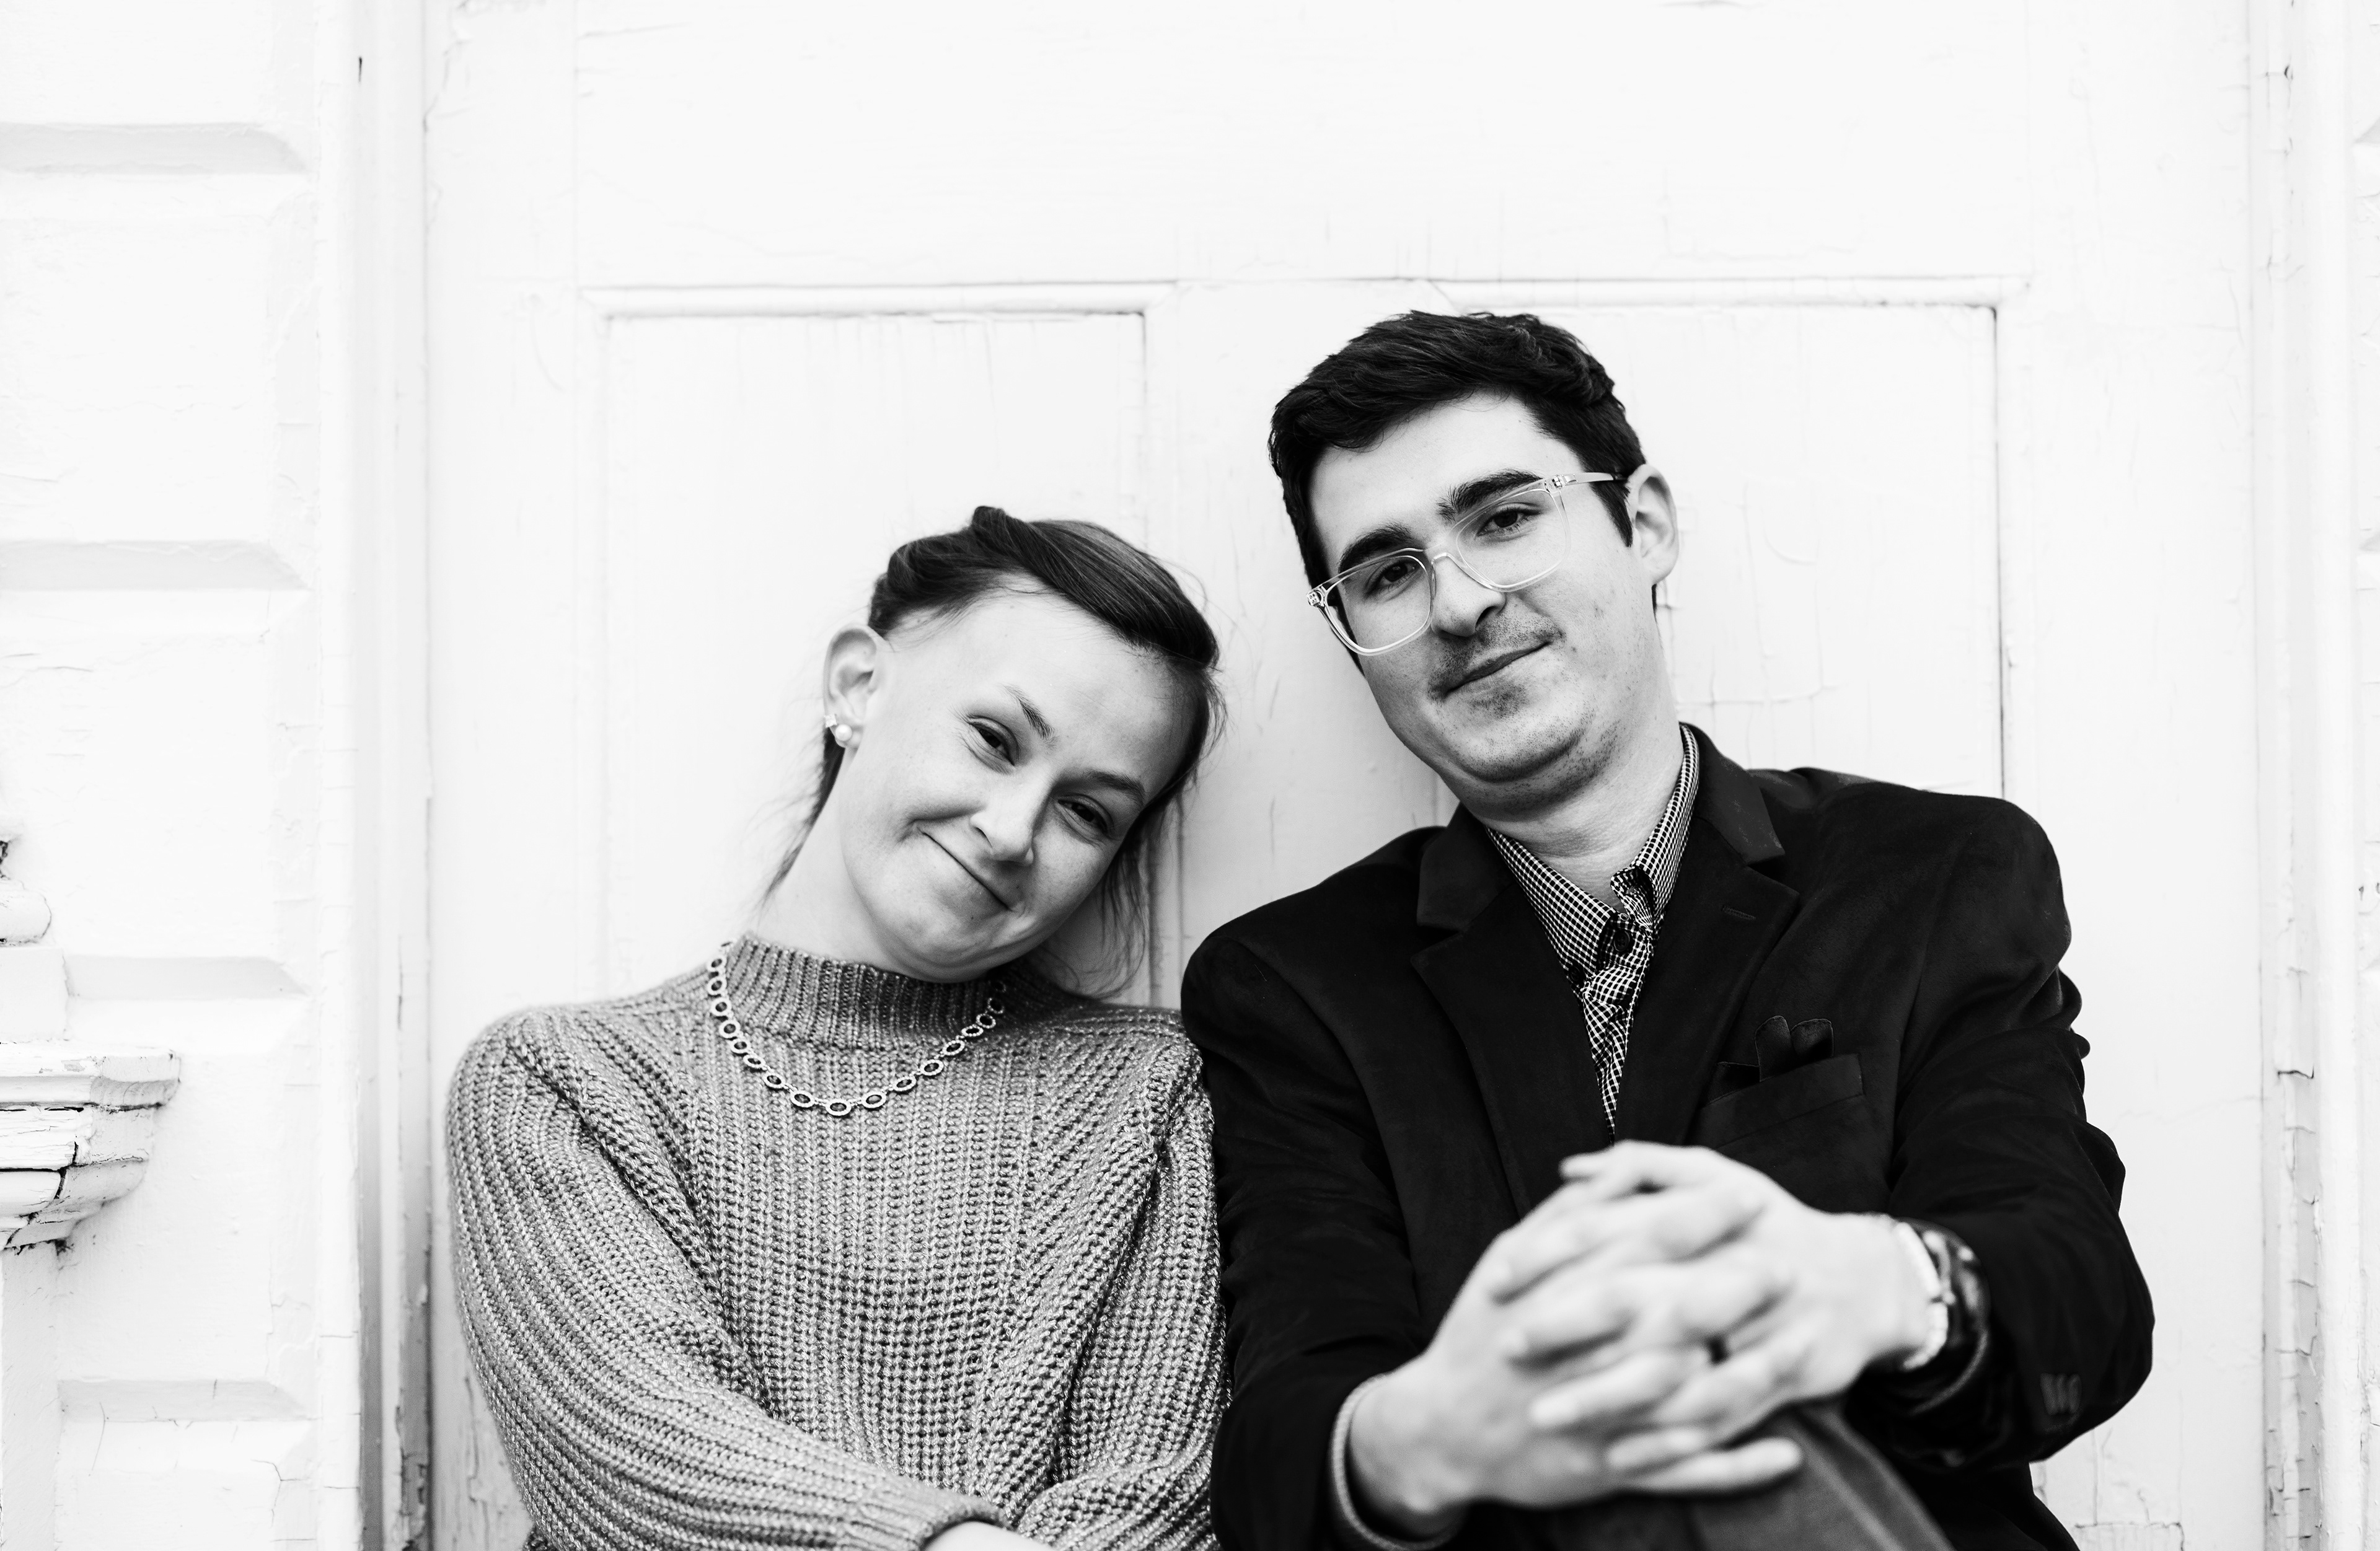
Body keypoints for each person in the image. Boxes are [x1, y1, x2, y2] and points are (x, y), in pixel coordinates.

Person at [1183, 313, 2153, 1551]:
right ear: (1349, 634)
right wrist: (1426, 1436)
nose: (1460, 602)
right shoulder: (1291, 983)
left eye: (1505, 517)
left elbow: (2081, 1313)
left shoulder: (1937, 873)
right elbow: (1281, 1448)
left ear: (1644, 524)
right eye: (1385, 574)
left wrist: (1876, 1286)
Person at [449, 507, 1228, 1551]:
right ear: (858, 686)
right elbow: (636, 1458)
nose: (1011, 831)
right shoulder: (562, 1082)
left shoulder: (1149, 1092)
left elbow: (1159, 1499)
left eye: (1087, 812)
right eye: (995, 740)